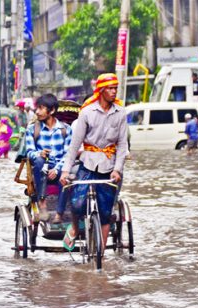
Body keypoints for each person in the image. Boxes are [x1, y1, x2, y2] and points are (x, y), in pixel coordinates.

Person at [60, 73, 128, 252]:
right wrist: (66, 171)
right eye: (110, 89)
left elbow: (122, 144)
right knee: (77, 203)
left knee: (106, 212)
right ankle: (74, 228)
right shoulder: (87, 112)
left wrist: (118, 169)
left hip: (109, 166)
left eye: (115, 88)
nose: (114, 92)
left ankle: (101, 253)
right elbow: (75, 145)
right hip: (88, 163)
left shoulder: (120, 113)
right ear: (101, 91)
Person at [26, 93, 72, 224]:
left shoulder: (66, 130)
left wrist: (57, 170)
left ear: (51, 111)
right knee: (39, 161)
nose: (37, 111)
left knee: (67, 177)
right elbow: (29, 152)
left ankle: (59, 214)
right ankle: (42, 204)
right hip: (41, 167)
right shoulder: (32, 129)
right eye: (37, 108)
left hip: (60, 167)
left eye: (41, 108)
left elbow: (68, 154)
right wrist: (39, 153)